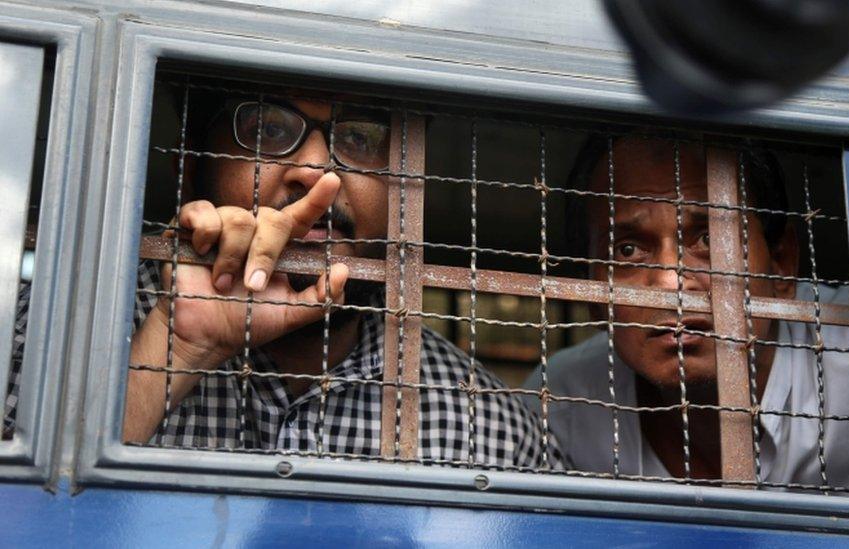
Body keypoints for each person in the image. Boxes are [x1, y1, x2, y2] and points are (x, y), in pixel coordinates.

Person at [6, 89, 557, 469]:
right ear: (189, 167)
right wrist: (176, 348)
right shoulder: (34, 333)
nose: (317, 172)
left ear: (407, 193)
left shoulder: (481, 422)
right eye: (267, 129)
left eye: (362, 138)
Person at [523, 135, 849, 490]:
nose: (672, 282)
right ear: (592, 296)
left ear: (781, 264)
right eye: (627, 250)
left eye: (710, 240)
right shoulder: (563, 403)